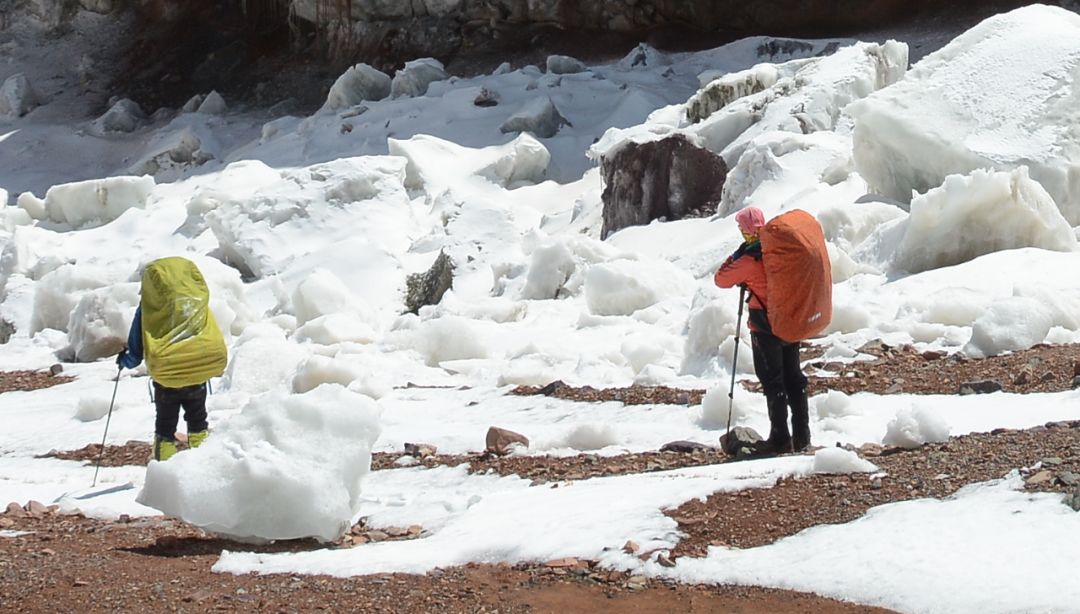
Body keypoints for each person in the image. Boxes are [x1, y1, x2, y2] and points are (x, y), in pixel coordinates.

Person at [714, 207, 811, 454]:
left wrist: (735, 256)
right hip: (790, 321)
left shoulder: (750, 259)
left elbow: (721, 279)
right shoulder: (780, 250)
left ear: (746, 231)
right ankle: (802, 438)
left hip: (764, 326)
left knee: (773, 382)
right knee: (794, 379)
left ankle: (780, 439)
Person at [117, 257, 227, 461]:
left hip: (167, 377)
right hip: (197, 374)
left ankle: (164, 467)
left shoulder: (148, 309)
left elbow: (135, 353)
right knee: (198, 420)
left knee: (165, 425)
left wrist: (124, 361)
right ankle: (201, 463)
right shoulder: (197, 303)